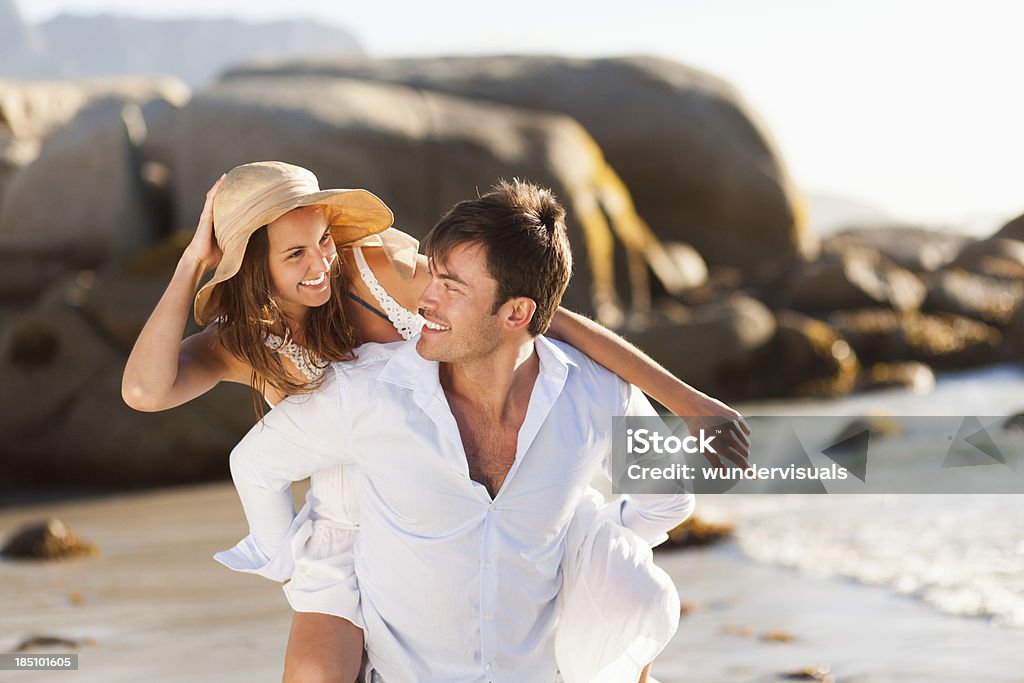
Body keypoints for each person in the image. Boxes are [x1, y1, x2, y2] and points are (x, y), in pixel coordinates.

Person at [123, 162, 749, 682]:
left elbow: (534, 316)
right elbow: (145, 392)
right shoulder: (241, 343)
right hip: (349, 519)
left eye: (323, 241)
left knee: (609, 624)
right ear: (250, 266)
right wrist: (191, 265)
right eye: (294, 254)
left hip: (449, 473)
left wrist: (686, 402)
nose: (320, 263)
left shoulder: (377, 270)